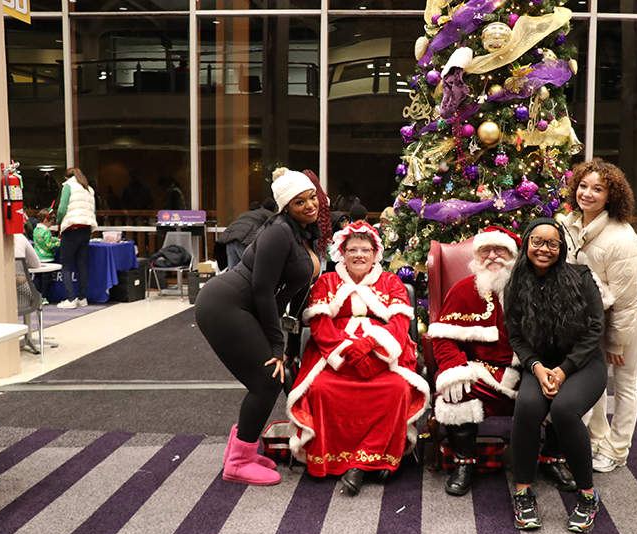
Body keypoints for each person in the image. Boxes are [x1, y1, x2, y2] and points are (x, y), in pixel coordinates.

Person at [195, 167, 323, 486]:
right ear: (284, 207)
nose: (310, 205)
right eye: (299, 202)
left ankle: (242, 451)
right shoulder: (279, 231)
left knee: (268, 379)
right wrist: (276, 346)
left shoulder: (302, 231)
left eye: (312, 198)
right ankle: (238, 463)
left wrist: (287, 343)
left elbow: (291, 294)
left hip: (243, 307)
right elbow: (263, 291)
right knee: (266, 380)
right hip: (224, 304)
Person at [427, 226, 575, 496]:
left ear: (514, 254)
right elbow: (443, 338)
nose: (493, 256)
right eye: (486, 250)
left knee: (563, 391)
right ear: (476, 257)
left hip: (530, 372)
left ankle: (552, 459)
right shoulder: (462, 291)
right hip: (480, 373)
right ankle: (465, 462)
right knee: (456, 390)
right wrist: (455, 368)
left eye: (501, 250)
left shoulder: (534, 288)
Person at [286, 221, 429, 495]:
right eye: (352, 249)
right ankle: (357, 462)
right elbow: (318, 324)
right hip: (334, 354)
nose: (359, 255)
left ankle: (362, 463)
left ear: (376, 253)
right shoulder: (327, 281)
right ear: (342, 252)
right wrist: (345, 353)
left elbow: (399, 325)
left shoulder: (391, 282)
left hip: (385, 353)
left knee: (396, 389)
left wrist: (371, 346)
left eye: (366, 249)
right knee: (321, 389)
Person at [504, 218, 607, 533]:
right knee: (527, 407)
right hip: (541, 365)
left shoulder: (580, 277)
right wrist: (536, 367)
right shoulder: (515, 283)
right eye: (537, 241)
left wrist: (564, 371)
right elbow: (517, 337)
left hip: (584, 362)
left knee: (564, 410)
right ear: (526, 244)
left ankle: (587, 495)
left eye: (552, 243)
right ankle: (523, 491)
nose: (544, 249)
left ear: (561, 248)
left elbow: (594, 329)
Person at [561, 159, 637, 474]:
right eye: (584, 186)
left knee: (625, 380)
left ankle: (617, 449)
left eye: (598, 189)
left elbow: (627, 299)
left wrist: (616, 342)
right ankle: (596, 439)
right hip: (596, 312)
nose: (587, 194)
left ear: (610, 196)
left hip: (631, 311)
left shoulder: (620, 238)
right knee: (594, 380)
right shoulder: (571, 222)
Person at [56, 167, 98, 309]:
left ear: (67, 178)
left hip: (71, 228)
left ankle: (70, 299)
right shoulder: (89, 189)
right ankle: (82, 298)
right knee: (81, 264)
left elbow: (62, 209)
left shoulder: (68, 186)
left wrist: (58, 221)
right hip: (86, 229)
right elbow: (93, 212)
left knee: (66, 265)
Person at [217, 196, 278, 270]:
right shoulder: (269, 215)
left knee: (233, 271)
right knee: (251, 269)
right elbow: (275, 231)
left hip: (230, 239)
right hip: (244, 240)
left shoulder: (247, 213)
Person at [33, 209, 60, 301]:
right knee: (46, 280)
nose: (52, 224)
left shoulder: (36, 230)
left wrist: (55, 239)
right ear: (45, 221)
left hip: (38, 258)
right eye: (51, 222)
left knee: (37, 278)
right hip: (47, 259)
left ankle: (36, 295)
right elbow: (48, 245)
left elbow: (44, 241)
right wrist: (58, 243)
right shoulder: (46, 232)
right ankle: (44, 297)